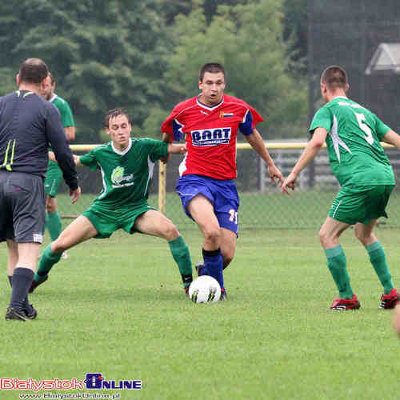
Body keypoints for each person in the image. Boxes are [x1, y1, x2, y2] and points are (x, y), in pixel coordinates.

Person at [30, 108, 193, 295]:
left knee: (171, 230)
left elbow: (177, 149)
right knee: (59, 245)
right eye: (115, 127)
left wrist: (192, 145)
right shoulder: (101, 152)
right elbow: (75, 160)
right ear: (108, 131)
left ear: (130, 127)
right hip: (104, 210)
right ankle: (36, 279)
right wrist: (43, 152)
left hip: (136, 209)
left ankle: (189, 285)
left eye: (124, 126)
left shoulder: (145, 146)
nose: (121, 131)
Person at [281, 65, 400, 311]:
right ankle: (390, 293)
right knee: (364, 233)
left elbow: (316, 141)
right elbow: (397, 140)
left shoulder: (327, 110)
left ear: (323, 88)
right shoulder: (366, 112)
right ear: (346, 87)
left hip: (361, 180)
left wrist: (293, 173)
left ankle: (346, 297)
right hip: (385, 177)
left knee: (327, 235)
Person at [161, 62, 284, 298]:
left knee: (226, 253)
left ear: (224, 84)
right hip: (194, 181)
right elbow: (165, 139)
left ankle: (205, 272)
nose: (213, 88)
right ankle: (218, 291)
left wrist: (270, 163)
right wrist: (167, 151)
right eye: (208, 83)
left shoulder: (237, 108)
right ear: (200, 84)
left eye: (218, 83)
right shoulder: (183, 112)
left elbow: (252, 135)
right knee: (212, 233)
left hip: (225, 186)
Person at [0, 58, 80, 321]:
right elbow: (62, 150)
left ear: (17, 78)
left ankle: (22, 305)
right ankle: (15, 307)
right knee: (29, 249)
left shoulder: (1, 103)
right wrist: (73, 181)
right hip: (27, 182)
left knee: (13, 248)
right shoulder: (47, 109)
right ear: (45, 82)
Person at [42, 72, 76, 259]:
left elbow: (70, 133)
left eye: (47, 85)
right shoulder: (35, 104)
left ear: (53, 86)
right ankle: (59, 246)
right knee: (50, 206)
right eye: (42, 84)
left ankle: (34, 243)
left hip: (53, 160)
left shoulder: (60, 105)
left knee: (43, 200)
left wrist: (48, 132)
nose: (44, 88)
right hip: (35, 158)